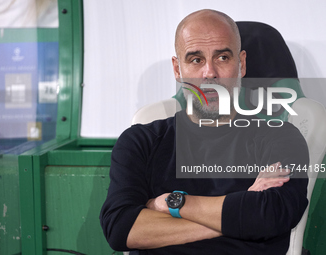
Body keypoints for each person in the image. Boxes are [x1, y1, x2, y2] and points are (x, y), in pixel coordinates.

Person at [100, 9, 308, 255]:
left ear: (241, 64)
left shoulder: (281, 137)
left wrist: (171, 203)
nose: (209, 73)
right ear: (178, 70)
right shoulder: (140, 142)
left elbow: (270, 215)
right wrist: (239, 213)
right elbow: (120, 228)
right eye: (196, 59)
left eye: (222, 58)